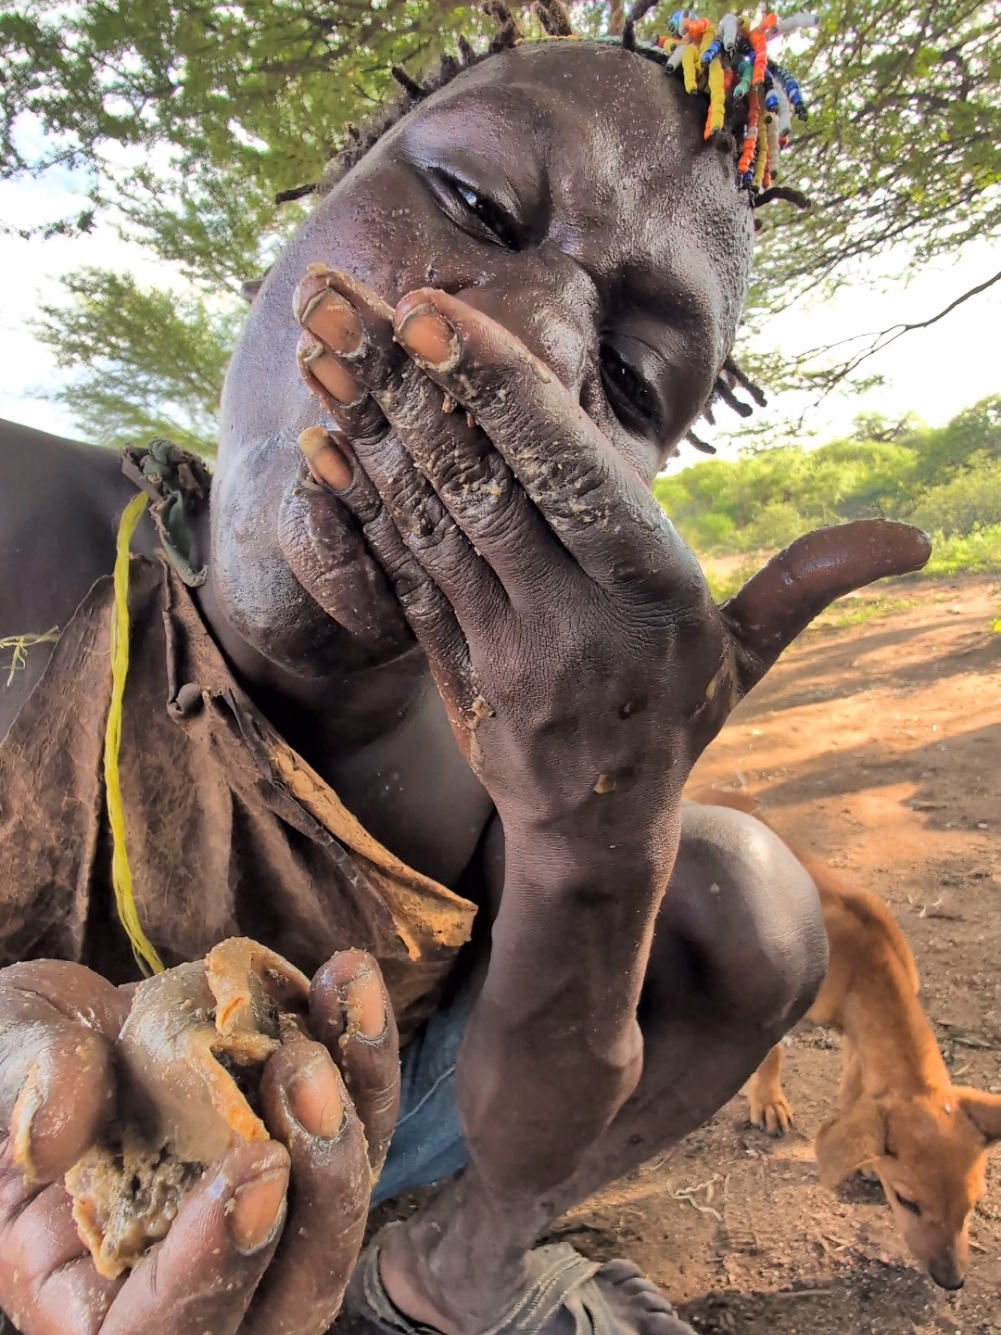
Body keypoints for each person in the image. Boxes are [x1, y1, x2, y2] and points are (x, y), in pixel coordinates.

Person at [0, 4, 930, 1333]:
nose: (533, 341)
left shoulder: (510, 726)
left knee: (751, 906)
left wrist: (594, 840)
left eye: (626, 376)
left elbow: (529, 1118)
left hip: (364, 1131)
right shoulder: (19, 518)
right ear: (305, 222)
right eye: (475, 202)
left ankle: (446, 1272)